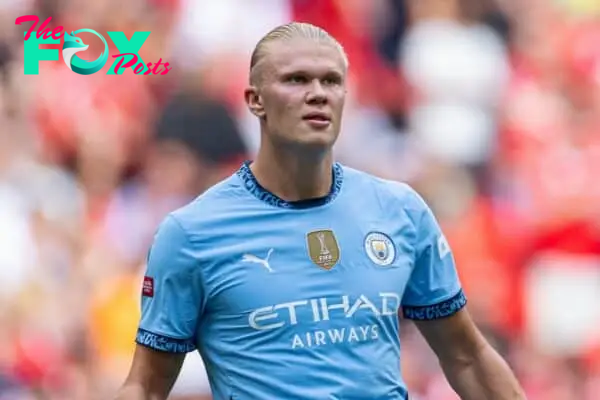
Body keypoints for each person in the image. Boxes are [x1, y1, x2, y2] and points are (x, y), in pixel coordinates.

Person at [115, 22, 525, 400]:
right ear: (255, 101)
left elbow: (467, 357)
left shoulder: (399, 212)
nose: (318, 93)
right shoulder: (192, 234)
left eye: (332, 80)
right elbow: (146, 386)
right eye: (296, 79)